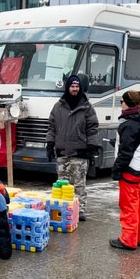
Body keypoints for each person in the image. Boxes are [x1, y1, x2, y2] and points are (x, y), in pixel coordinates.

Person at [46, 75, 99, 221]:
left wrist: (91, 147)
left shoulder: (87, 107)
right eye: (72, 86)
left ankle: (80, 209)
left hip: (79, 152)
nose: (74, 89)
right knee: (62, 184)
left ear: (80, 88)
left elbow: (92, 128)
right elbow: (51, 127)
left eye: (77, 87)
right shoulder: (58, 106)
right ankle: (63, 209)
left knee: (79, 184)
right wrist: (50, 144)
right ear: (67, 88)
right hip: (62, 152)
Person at [109, 90, 140, 250]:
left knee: (128, 206)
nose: (120, 104)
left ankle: (128, 240)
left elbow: (126, 152)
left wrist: (116, 169)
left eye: (121, 101)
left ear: (129, 104)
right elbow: (139, 147)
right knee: (138, 206)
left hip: (130, 171)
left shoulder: (130, 125)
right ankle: (138, 238)